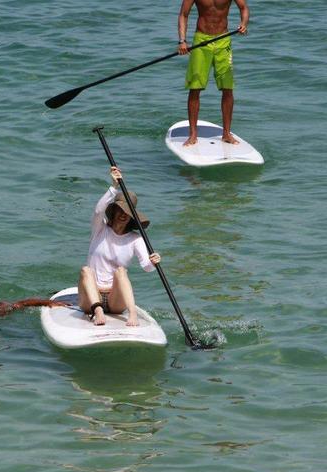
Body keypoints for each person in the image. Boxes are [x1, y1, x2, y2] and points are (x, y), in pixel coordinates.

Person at [79, 167, 161, 327]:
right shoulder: (100, 229)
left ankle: (132, 314)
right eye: (120, 210)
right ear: (114, 211)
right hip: (91, 298)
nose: (124, 214)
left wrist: (154, 262)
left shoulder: (136, 239)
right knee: (85, 270)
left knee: (121, 271)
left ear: (132, 217)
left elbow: (147, 266)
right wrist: (113, 187)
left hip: (115, 300)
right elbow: (98, 210)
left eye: (128, 212)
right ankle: (98, 311)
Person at [178, 0, 249, 146]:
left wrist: (243, 23)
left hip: (223, 40)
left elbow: (243, 8)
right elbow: (183, 15)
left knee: (228, 88)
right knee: (195, 87)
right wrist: (182, 41)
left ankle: (226, 134)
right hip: (201, 40)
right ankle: (193, 135)